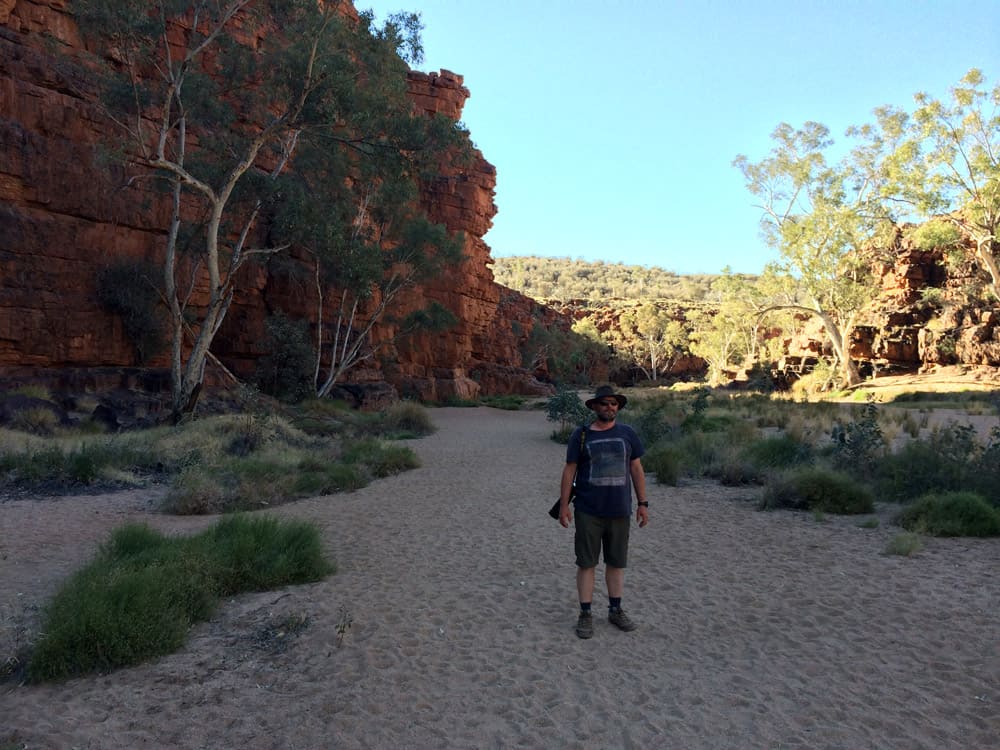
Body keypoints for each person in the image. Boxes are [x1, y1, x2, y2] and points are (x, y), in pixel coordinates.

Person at [558, 385, 648, 639]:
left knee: (616, 563)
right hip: (588, 510)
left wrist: (643, 503)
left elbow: (637, 469)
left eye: (614, 404)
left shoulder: (627, 433)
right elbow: (569, 470)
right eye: (605, 403)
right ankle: (585, 613)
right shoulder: (582, 435)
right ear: (595, 406)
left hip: (620, 510)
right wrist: (564, 506)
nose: (609, 407)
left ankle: (615, 609)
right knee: (587, 563)